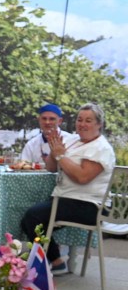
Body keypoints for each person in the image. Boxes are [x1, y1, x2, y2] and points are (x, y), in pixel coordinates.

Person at [21, 103, 115, 276]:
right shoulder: (72, 140)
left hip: (89, 205)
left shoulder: (101, 148)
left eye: (88, 120)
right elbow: (51, 167)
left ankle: (51, 261)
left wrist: (61, 155)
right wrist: (53, 150)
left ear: (99, 124)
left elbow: (82, 177)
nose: (82, 124)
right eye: (80, 120)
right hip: (65, 199)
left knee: (33, 216)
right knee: (31, 217)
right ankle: (53, 260)